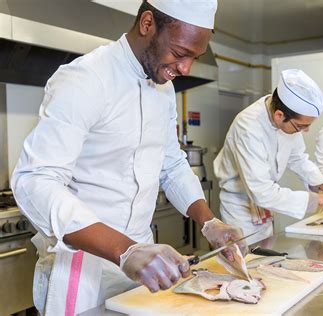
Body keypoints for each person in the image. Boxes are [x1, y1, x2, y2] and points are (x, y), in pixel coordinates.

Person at [11, 1, 246, 314]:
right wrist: (124, 251)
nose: (186, 68)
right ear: (147, 23)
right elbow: (33, 180)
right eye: (179, 53)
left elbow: (172, 165)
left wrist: (209, 222)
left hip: (143, 261)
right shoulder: (86, 79)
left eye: (194, 57)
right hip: (83, 267)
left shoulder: (163, 92)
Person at [213, 69, 323, 244]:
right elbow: (261, 191)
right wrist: (318, 200)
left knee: (264, 261)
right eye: (301, 126)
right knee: (244, 263)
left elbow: (298, 158)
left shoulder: (288, 117)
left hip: (265, 206)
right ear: (280, 115)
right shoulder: (248, 127)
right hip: (241, 211)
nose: (305, 131)